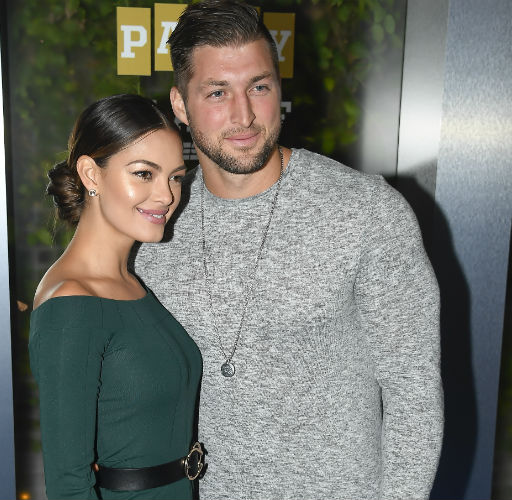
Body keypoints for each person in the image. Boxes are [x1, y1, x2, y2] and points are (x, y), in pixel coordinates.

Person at [133, 1, 444, 499]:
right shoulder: (153, 223)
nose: (244, 115)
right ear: (180, 105)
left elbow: (414, 392)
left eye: (259, 87)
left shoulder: (365, 211)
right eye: (217, 92)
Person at [29, 94, 204, 500]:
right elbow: (68, 485)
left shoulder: (129, 285)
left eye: (175, 177)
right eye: (144, 173)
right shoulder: (71, 304)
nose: (166, 195)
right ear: (91, 174)